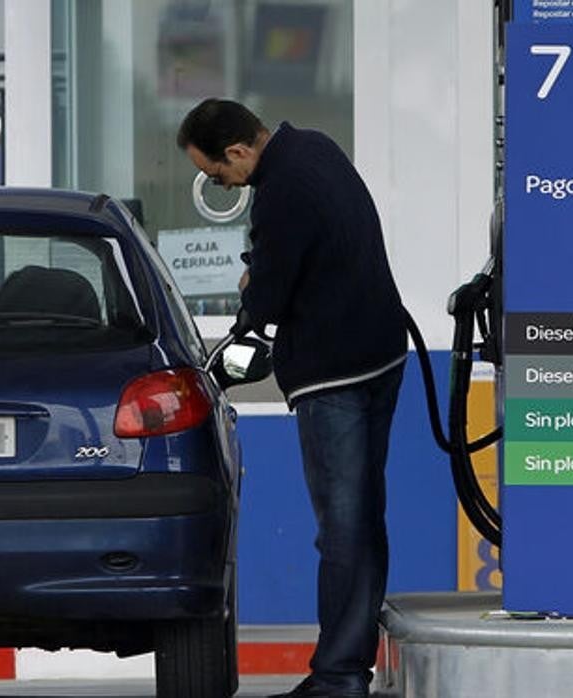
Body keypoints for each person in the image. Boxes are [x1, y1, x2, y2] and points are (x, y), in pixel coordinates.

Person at [178, 99, 407, 697]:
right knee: (361, 523)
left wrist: (253, 284)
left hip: (335, 375)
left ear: (238, 152)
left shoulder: (279, 192)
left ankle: (338, 676)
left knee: (341, 529)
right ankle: (350, 666)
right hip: (381, 356)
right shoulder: (317, 147)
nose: (220, 183)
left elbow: (270, 300)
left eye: (216, 173)